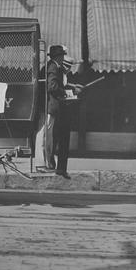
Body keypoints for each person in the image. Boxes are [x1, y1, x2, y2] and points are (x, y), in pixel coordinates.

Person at [37, 45, 83, 179]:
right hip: (49, 106)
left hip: (50, 106)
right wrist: (65, 94)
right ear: (59, 56)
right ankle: (42, 164)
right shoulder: (53, 67)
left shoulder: (52, 66)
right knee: (45, 136)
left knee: (47, 136)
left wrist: (71, 87)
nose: (63, 57)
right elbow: (52, 86)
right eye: (62, 55)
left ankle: (46, 164)